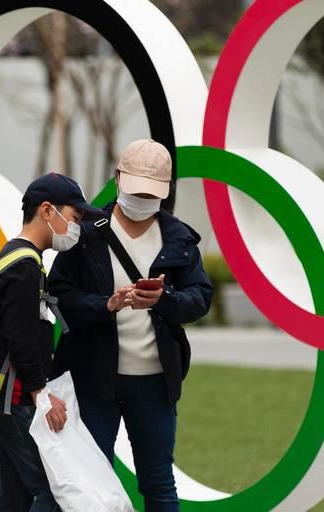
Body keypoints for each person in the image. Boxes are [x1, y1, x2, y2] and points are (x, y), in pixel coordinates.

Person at [48, 139, 213, 512]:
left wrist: (165, 300)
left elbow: (200, 297)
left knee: (158, 483)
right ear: (118, 178)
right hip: (93, 380)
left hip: (155, 380)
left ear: (167, 191)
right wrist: (103, 304)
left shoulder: (180, 239)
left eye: (151, 193)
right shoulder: (84, 235)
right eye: (136, 189)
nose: (142, 199)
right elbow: (59, 295)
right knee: (88, 482)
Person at [0, 172, 102, 512]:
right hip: (17, 398)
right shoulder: (25, 266)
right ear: (48, 211)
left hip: (7, 398)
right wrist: (41, 395)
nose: (77, 227)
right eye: (75, 217)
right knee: (52, 491)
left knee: (14, 494)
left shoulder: (14, 257)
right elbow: (20, 337)